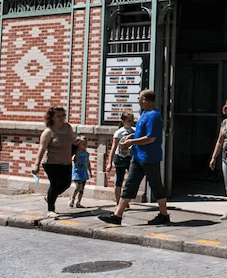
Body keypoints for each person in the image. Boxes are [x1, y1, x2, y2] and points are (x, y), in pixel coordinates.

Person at [99, 88, 170, 226]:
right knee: (129, 185)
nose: (138, 100)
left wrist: (132, 142)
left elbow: (150, 138)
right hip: (137, 157)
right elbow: (141, 134)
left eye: (139, 98)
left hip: (150, 157)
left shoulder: (153, 116)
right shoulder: (143, 114)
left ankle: (164, 215)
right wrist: (131, 136)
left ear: (144, 100)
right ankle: (117, 215)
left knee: (156, 186)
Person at [30, 106, 75, 218]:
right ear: (52, 117)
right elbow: (42, 149)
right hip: (51, 163)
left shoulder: (68, 127)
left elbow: (72, 143)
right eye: (58, 116)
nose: (62, 118)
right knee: (55, 184)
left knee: (66, 184)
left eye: (63, 115)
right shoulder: (48, 132)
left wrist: (77, 153)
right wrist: (36, 165)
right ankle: (50, 209)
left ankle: (50, 196)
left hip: (66, 162)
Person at [108, 111, 136, 202]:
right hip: (120, 157)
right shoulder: (119, 132)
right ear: (123, 121)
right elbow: (113, 147)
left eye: (132, 120)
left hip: (130, 156)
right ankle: (118, 201)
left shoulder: (135, 131)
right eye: (129, 121)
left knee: (131, 179)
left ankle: (125, 200)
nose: (131, 122)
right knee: (119, 180)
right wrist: (109, 163)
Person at [69, 136, 91, 209]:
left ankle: (78, 202)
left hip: (84, 173)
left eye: (86, 144)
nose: (85, 145)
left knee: (82, 189)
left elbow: (88, 163)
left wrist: (90, 171)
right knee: (78, 187)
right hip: (77, 173)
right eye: (83, 144)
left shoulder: (86, 153)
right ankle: (72, 199)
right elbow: (73, 159)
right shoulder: (76, 153)